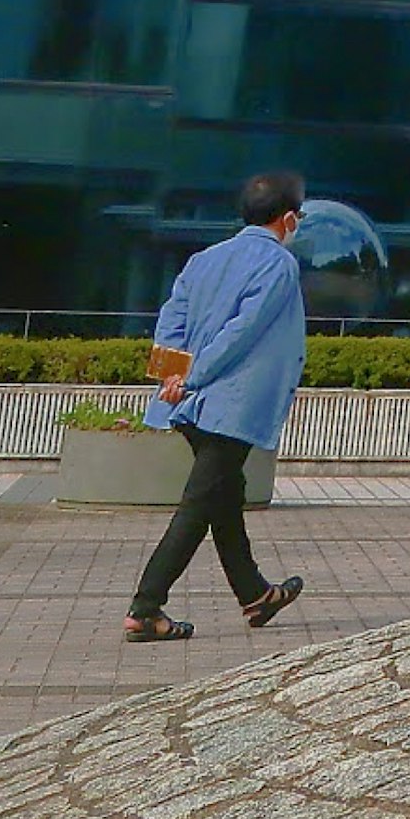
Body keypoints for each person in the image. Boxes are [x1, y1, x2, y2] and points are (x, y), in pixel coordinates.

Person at [126, 169, 312, 643]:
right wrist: (193, 377)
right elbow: (243, 333)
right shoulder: (278, 265)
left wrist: (172, 374)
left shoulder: (204, 259)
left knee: (225, 495)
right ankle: (146, 607)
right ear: (288, 219)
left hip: (190, 403)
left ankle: (255, 594)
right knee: (200, 503)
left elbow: (172, 318)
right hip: (232, 403)